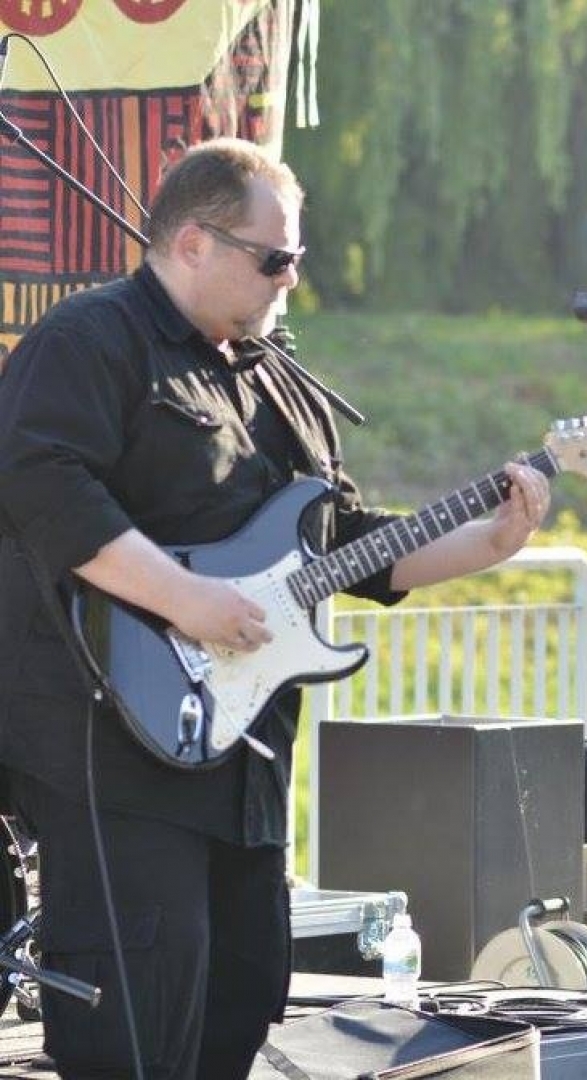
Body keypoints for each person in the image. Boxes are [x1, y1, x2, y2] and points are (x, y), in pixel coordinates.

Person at [0, 138, 551, 1080]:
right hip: (113, 743)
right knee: (137, 1011)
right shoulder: (91, 342)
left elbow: (343, 544)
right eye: (273, 257)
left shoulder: (280, 383)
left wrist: (490, 542)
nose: (290, 278)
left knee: (245, 989)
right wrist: (186, 600)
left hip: (244, 753)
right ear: (191, 243)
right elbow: (39, 480)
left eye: (295, 256)